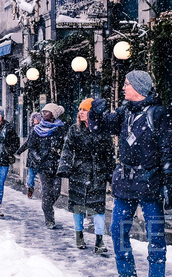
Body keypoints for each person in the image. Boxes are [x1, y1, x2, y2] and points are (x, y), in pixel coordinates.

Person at [88, 70, 172, 277]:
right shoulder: (124, 112)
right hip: (125, 184)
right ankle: (127, 274)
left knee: (155, 237)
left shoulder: (159, 114)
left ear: (139, 88)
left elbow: (168, 151)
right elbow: (99, 128)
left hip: (150, 182)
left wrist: (169, 183)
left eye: (127, 84)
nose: (123, 87)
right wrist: (95, 113)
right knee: (118, 232)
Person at [57, 98, 116, 254]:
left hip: (98, 173)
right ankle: (79, 235)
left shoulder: (102, 130)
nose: (81, 112)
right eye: (80, 110)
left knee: (98, 208)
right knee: (78, 207)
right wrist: (65, 167)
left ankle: (99, 241)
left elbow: (109, 153)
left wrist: (112, 174)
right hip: (79, 172)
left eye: (84, 109)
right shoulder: (74, 129)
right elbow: (67, 149)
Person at [25, 103, 67, 229]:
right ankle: (49, 218)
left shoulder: (60, 129)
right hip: (43, 166)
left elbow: (65, 145)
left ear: (53, 114)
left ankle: (47, 205)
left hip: (56, 165)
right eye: (42, 112)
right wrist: (38, 158)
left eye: (46, 112)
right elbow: (31, 146)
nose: (43, 114)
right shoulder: (36, 130)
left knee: (56, 191)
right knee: (46, 192)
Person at [15, 112, 42, 198]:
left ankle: (42, 192)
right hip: (33, 157)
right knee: (31, 176)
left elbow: (29, 144)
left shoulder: (40, 130)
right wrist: (19, 151)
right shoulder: (33, 130)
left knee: (40, 176)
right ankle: (31, 189)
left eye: (36, 118)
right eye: (34, 118)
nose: (35, 120)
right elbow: (28, 143)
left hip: (38, 156)